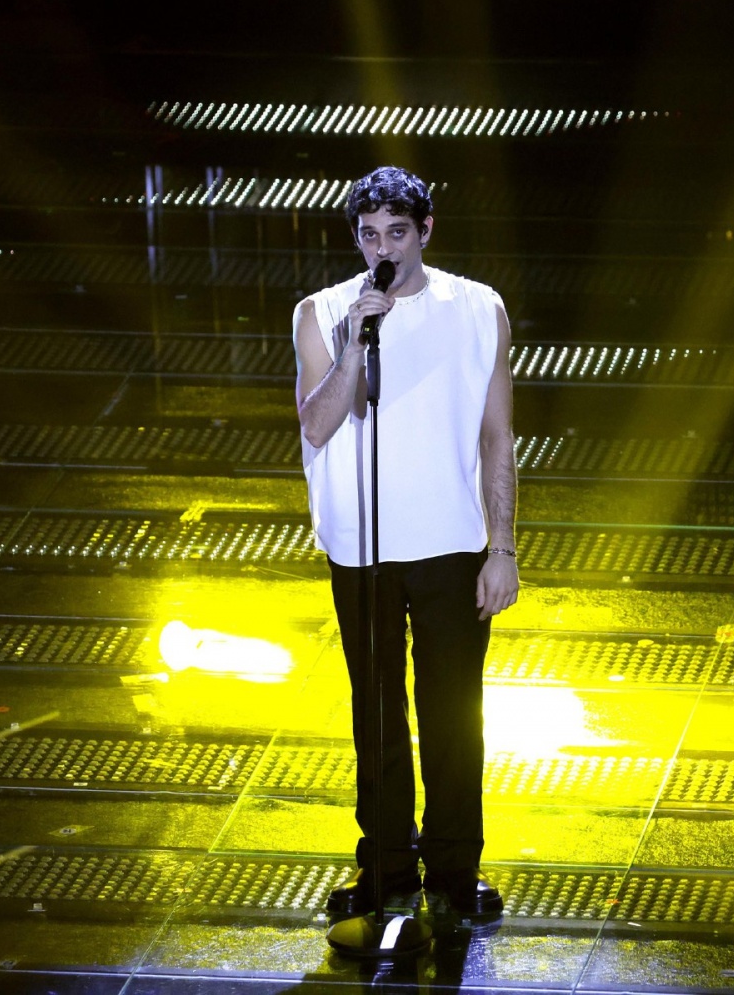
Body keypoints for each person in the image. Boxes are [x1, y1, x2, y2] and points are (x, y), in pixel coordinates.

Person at [293, 165, 519, 919]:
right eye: (368, 235)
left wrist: (503, 547)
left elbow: (497, 434)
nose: (381, 248)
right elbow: (319, 424)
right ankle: (386, 867)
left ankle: (456, 869)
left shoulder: (479, 308)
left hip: (452, 541)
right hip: (360, 546)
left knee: (455, 712)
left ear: (425, 231)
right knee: (378, 712)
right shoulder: (324, 312)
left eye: (396, 233)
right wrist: (359, 339)